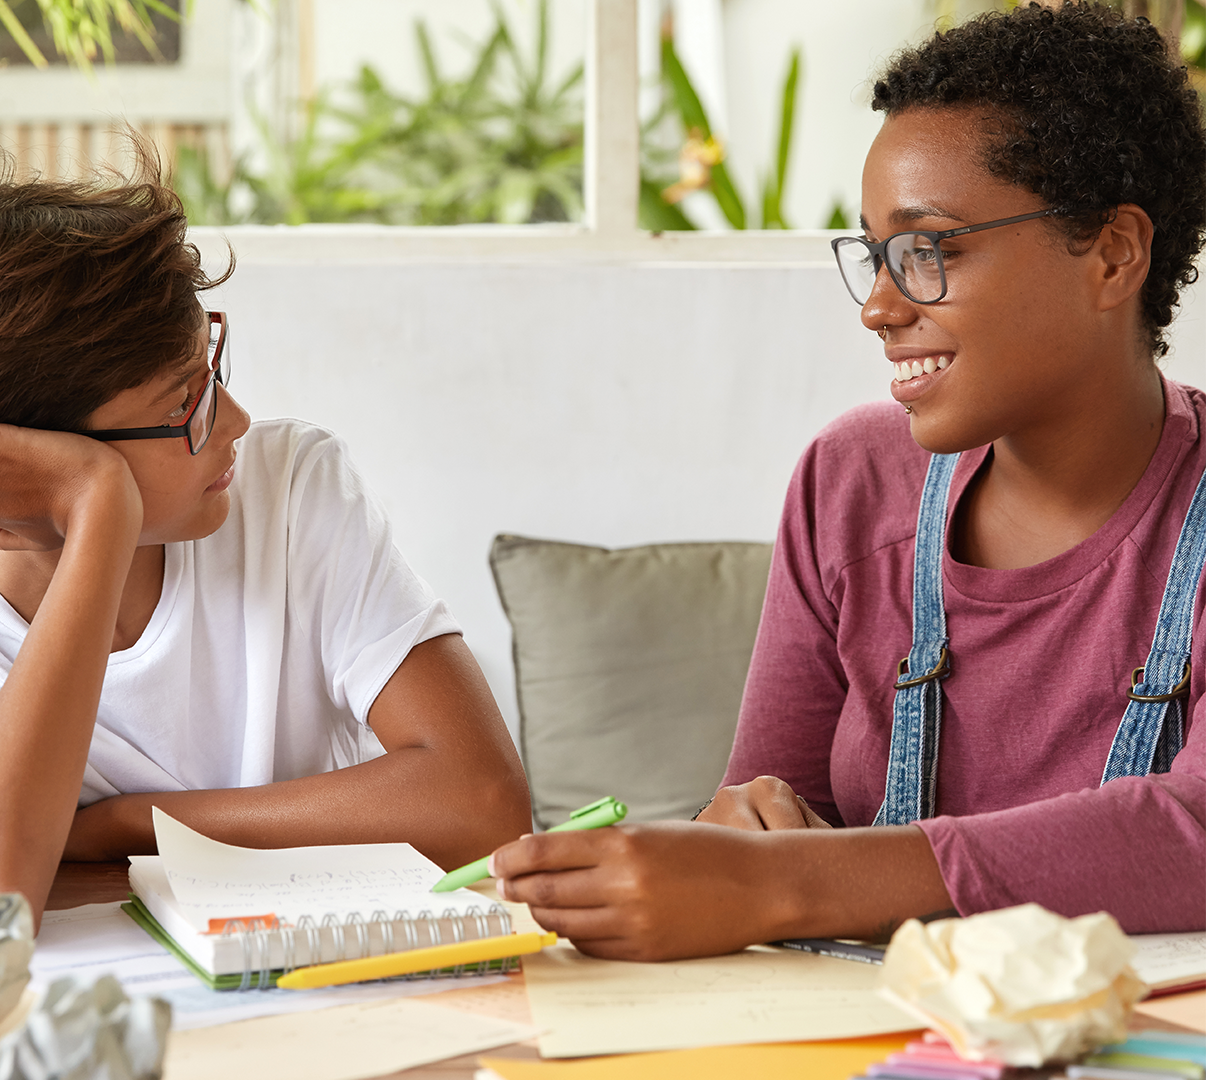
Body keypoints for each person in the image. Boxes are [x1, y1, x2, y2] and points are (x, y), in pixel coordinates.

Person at [490, 0, 1206, 960]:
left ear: (1113, 253)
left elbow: (1191, 834)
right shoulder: (852, 482)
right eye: (874, 255)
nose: (877, 306)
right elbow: (773, 812)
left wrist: (786, 884)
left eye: (927, 250)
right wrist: (746, 830)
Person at [0, 155, 531, 928]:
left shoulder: (285, 489)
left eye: (209, 371)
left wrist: (131, 822)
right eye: (187, 404)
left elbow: (481, 803)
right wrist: (98, 512)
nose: (236, 420)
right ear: (24, 461)